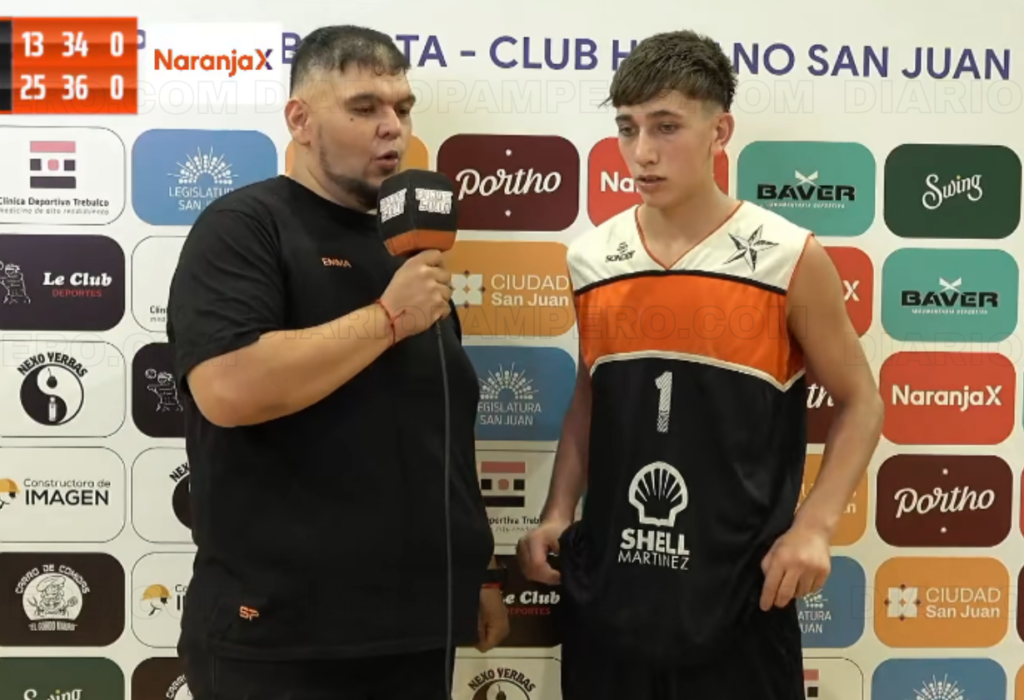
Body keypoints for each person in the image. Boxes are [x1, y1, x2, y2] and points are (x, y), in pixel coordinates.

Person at [517, 30, 884, 699]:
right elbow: (591, 395)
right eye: (627, 128)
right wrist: (557, 509)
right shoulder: (592, 257)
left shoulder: (788, 257)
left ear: (721, 131)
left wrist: (815, 526)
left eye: (667, 127)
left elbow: (861, 400)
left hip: (740, 596)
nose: (642, 152)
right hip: (613, 593)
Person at [167, 25, 508, 700]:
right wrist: (386, 319)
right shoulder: (244, 227)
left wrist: (481, 568)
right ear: (300, 119)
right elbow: (228, 387)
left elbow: (442, 428)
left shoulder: (410, 250)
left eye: (403, 108)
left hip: (415, 633)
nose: (393, 128)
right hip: (278, 640)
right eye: (364, 107)